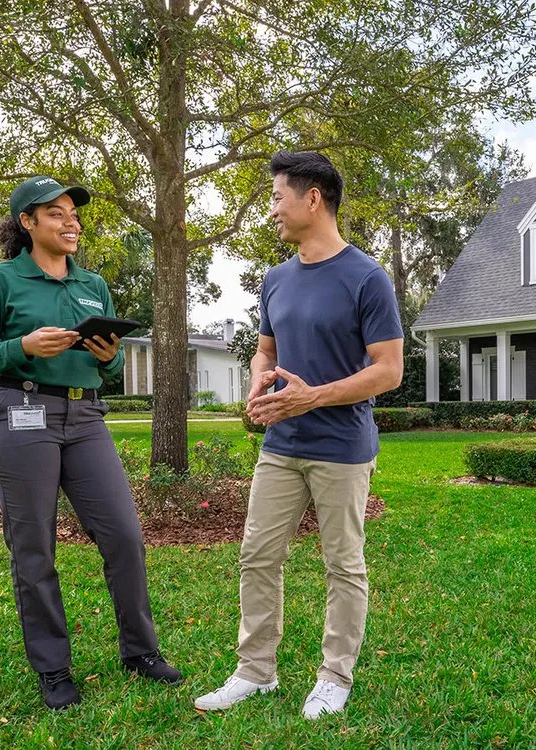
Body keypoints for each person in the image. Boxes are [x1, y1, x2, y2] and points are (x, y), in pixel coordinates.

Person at [0, 176, 182, 710]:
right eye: (56, 213)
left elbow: (113, 364)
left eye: (74, 214)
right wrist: (23, 345)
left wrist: (110, 356)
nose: (71, 222)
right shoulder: (0, 279)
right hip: (20, 413)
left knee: (124, 535)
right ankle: (53, 668)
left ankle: (141, 651)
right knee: (34, 546)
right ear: (27, 222)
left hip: (85, 416)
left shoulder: (93, 284)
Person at [194, 151, 403, 719]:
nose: (271, 210)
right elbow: (265, 350)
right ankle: (255, 671)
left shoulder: (367, 277)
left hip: (341, 448)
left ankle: (335, 677)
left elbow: (389, 370)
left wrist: (313, 396)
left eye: (277, 197)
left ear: (313, 199)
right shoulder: (276, 280)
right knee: (257, 556)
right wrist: (258, 382)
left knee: (343, 564)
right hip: (281, 446)